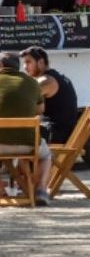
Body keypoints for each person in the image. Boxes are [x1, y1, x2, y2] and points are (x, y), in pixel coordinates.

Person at [0, 52, 53, 206]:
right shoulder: (32, 83)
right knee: (46, 155)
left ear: (1, 66)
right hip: (27, 144)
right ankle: (41, 190)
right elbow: (40, 110)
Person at [18, 46, 78, 144]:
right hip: (58, 132)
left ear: (41, 62)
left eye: (28, 62)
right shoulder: (57, 77)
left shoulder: (46, 81)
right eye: (24, 63)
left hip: (54, 134)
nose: (25, 67)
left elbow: (23, 101)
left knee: (10, 134)